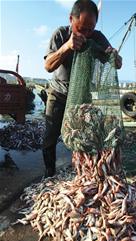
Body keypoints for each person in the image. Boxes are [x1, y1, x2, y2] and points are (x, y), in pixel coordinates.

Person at [43, 0, 122, 177]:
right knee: (50, 137)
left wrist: (116, 58)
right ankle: (49, 173)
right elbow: (48, 66)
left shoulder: (98, 37)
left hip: (83, 101)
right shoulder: (60, 34)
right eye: (82, 28)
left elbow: (116, 62)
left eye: (90, 29)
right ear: (71, 19)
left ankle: (82, 172)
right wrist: (67, 47)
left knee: (84, 137)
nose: (86, 34)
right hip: (59, 93)